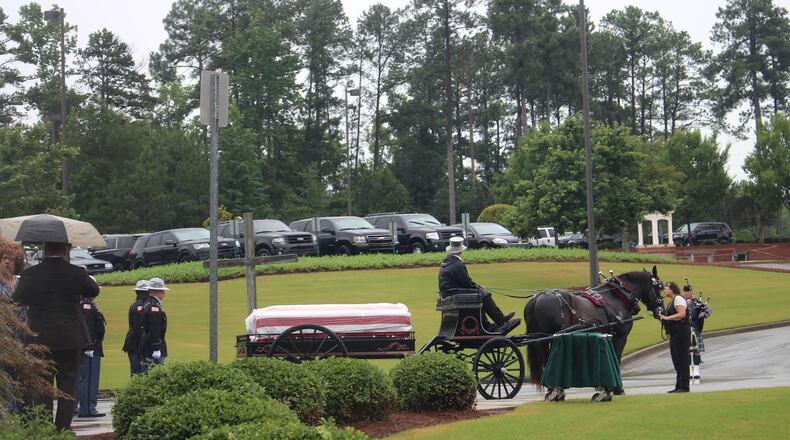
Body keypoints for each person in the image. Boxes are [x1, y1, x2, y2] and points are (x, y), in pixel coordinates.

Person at [12, 241, 100, 430]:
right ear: (65, 250)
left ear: (45, 250)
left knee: (43, 385)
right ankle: (62, 429)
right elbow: (94, 291)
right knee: (68, 385)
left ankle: (44, 427)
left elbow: (17, 300)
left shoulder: (31, 274)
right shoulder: (77, 272)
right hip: (70, 336)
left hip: (40, 337)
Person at [438, 236, 520, 334]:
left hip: (449, 293)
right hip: (454, 293)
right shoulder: (457, 264)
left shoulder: (447, 262)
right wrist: (479, 288)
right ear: (461, 250)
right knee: (484, 295)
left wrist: (477, 287)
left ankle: (486, 324)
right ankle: (500, 320)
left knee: (480, 293)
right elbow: (467, 283)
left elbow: (464, 282)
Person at [76, 278, 106, 418]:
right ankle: (88, 409)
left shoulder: (87, 303)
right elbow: (87, 326)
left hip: (92, 346)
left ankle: (87, 407)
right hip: (90, 348)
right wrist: (88, 346)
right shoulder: (86, 305)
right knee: (89, 380)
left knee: (87, 379)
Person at [659, 281, 690, 393]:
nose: (664, 290)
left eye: (666, 288)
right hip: (675, 332)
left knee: (682, 358)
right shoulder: (672, 301)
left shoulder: (678, 299)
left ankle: (684, 386)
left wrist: (667, 318)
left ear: (671, 289)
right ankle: (679, 385)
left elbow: (682, 314)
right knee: (676, 358)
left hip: (681, 331)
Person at [138, 277, 169, 374]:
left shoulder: (148, 303)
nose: (164, 293)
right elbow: (154, 327)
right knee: (155, 375)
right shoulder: (154, 307)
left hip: (147, 344)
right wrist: (156, 347)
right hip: (152, 346)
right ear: (157, 291)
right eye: (162, 290)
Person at [123, 280, 150, 376]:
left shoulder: (140, 304)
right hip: (135, 343)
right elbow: (139, 328)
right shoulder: (139, 306)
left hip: (136, 343)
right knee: (137, 372)